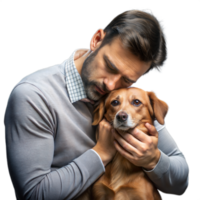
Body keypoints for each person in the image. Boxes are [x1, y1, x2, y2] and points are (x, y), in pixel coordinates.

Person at [3, 8, 190, 200]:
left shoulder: (133, 105)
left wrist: (153, 160)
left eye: (127, 80)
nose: (110, 85)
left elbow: (182, 181)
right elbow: (33, 195)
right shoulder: (34, 96)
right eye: (109, 66)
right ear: (97, 39)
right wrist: (101, 153)